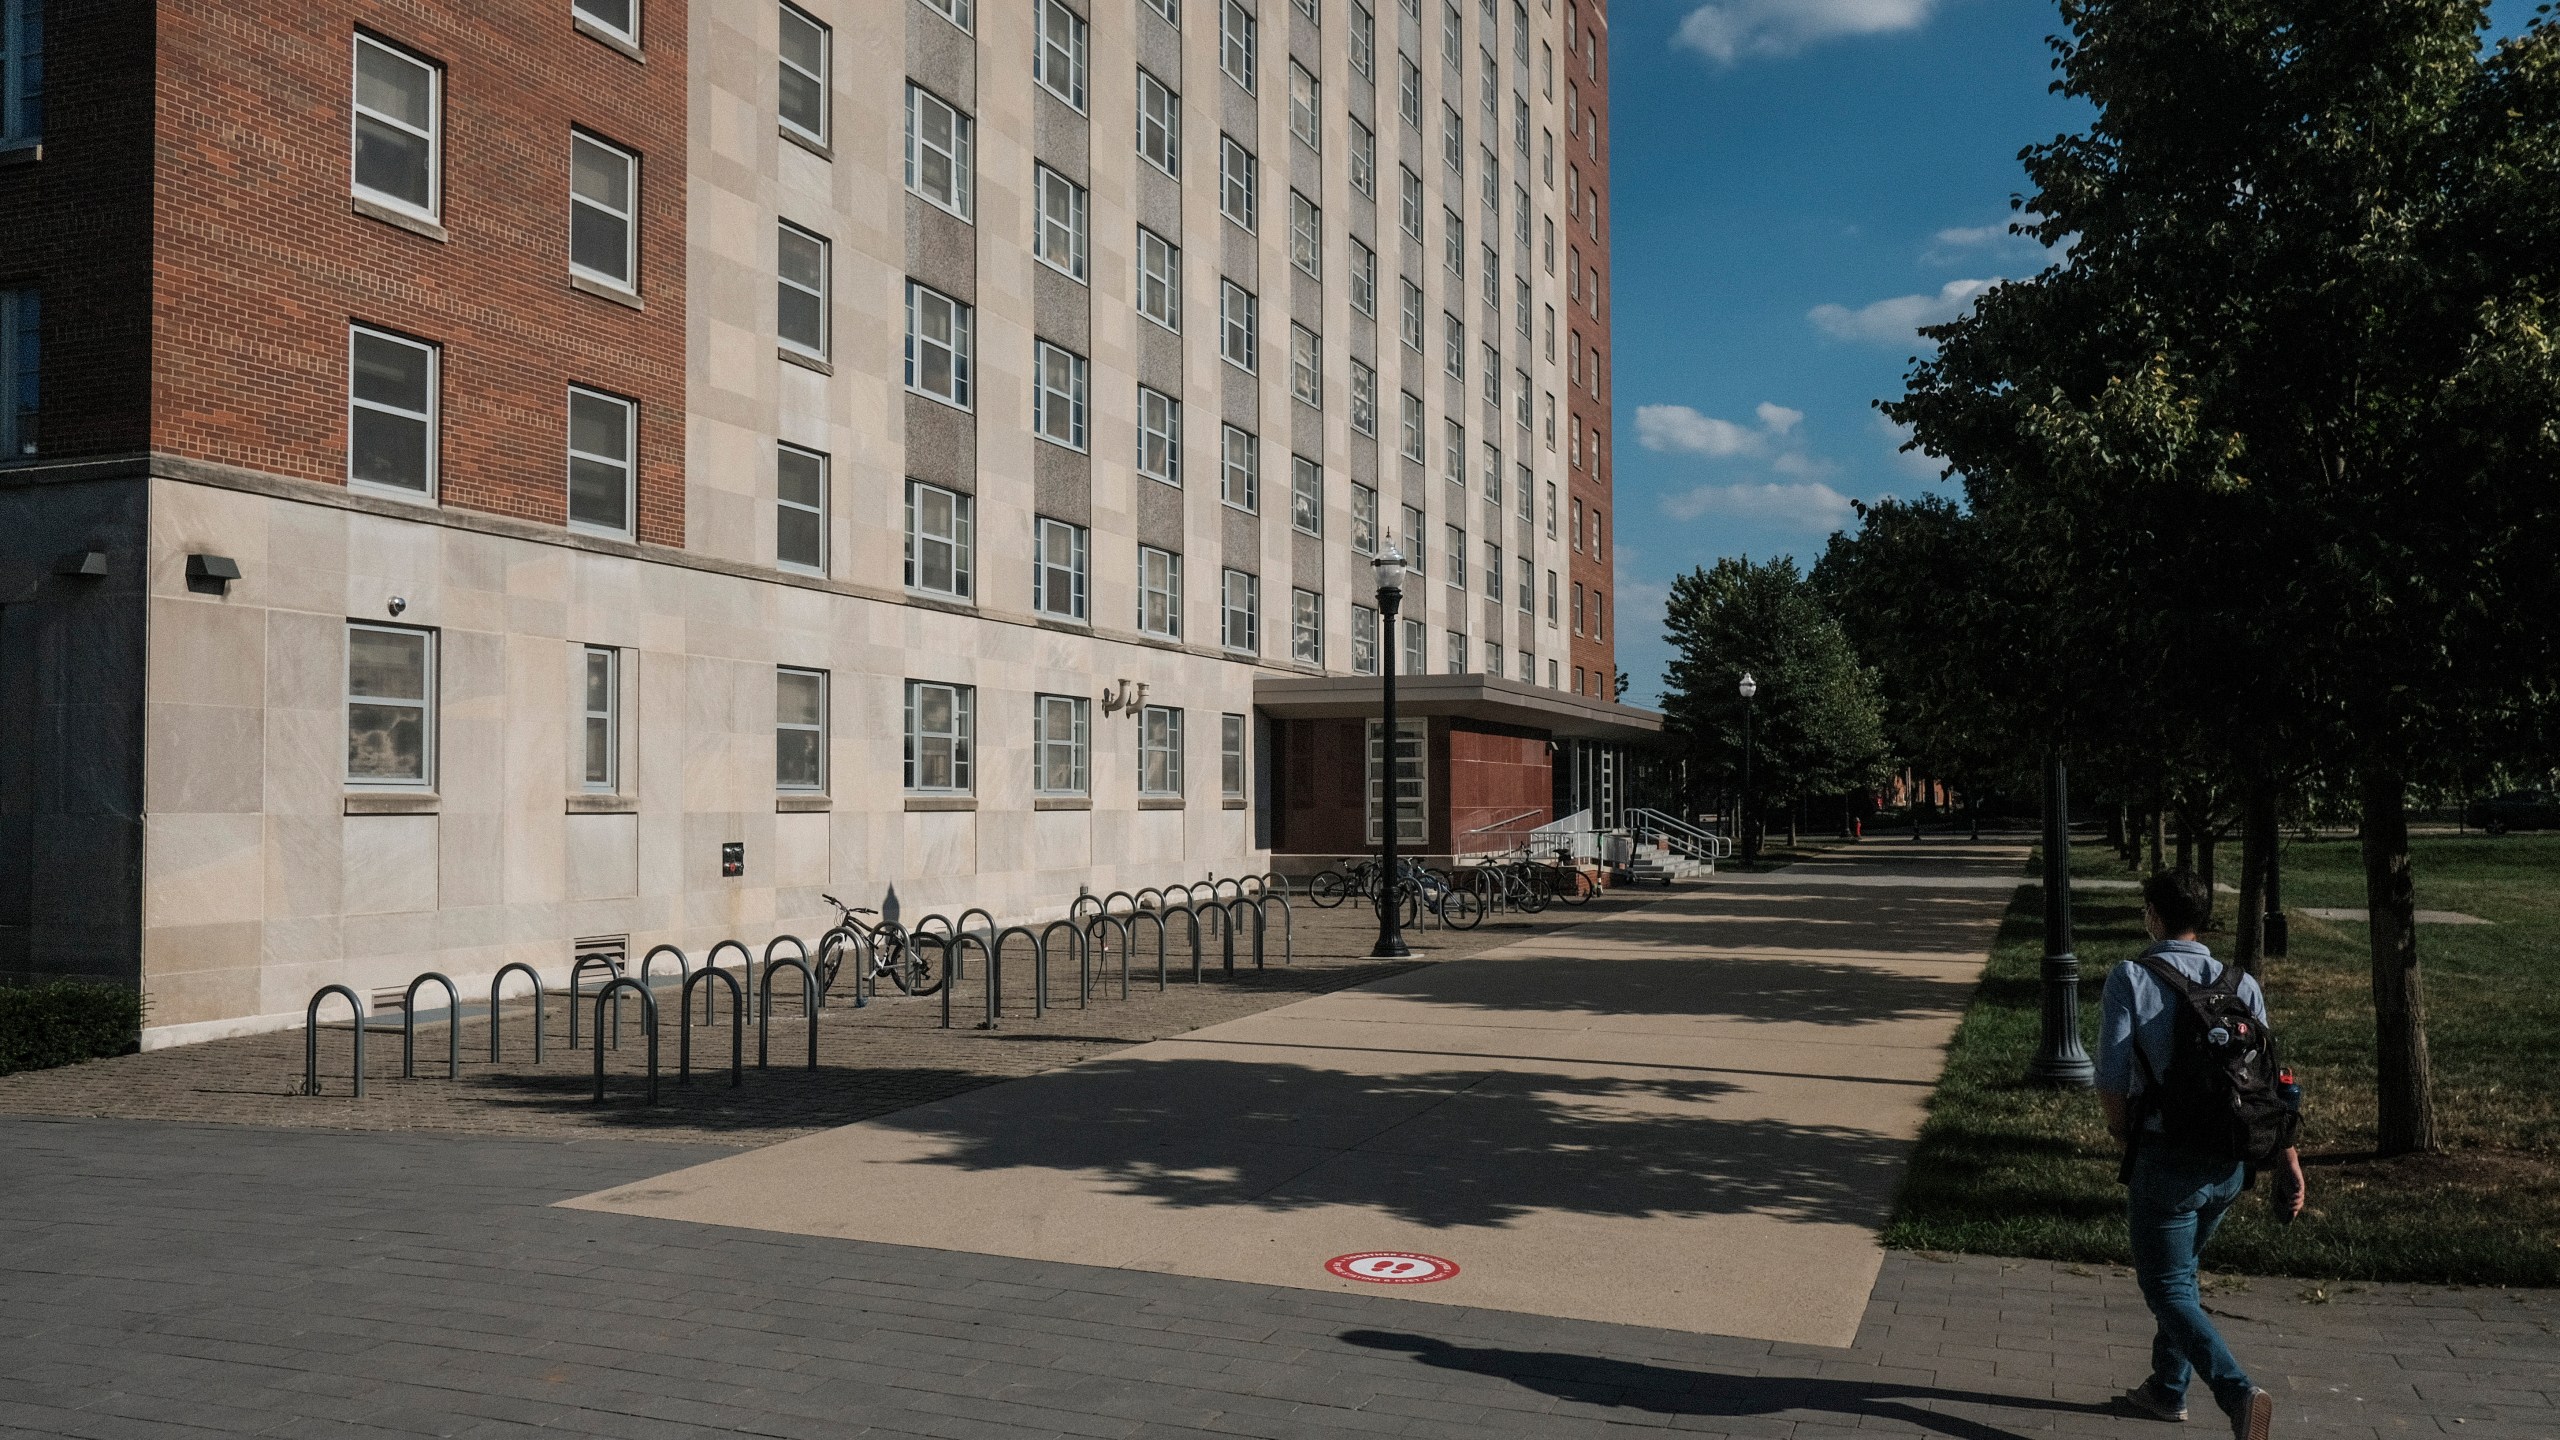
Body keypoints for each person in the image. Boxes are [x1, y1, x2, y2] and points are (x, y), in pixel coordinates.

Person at [2098, 868, 2305, 1439]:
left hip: (2168, 1157)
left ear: (2153, 915)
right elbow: (2266, 1082)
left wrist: (2124, 1136)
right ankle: (2167, 1390)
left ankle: (2239, 1394)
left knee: (2165, 1288)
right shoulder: (2242, 983)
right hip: (2231, 1162)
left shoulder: (2131, 977)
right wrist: (2287, 1160)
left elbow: (2112, 1076)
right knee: (2182, 1278)